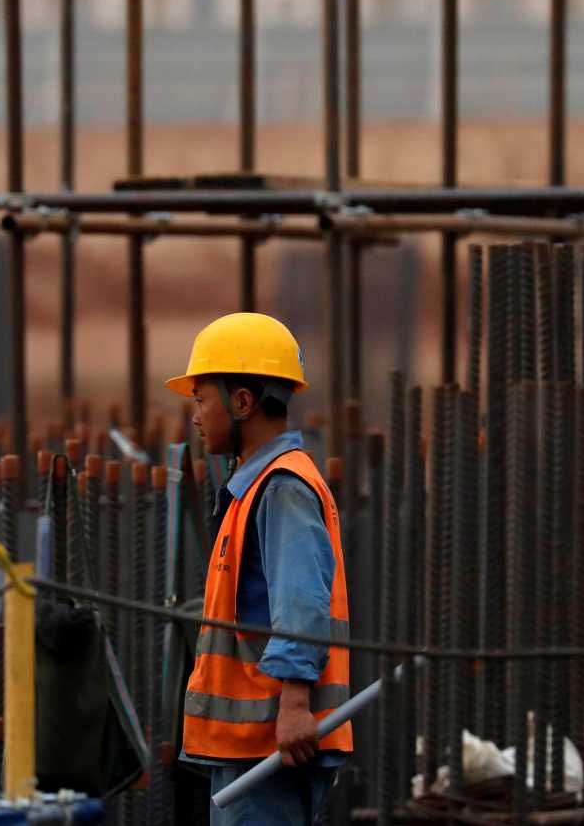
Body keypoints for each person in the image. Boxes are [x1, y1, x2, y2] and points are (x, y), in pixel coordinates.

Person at [166, 312, 353, 826]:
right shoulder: (256, 489)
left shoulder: (282, 488)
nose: (196, 416)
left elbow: (301, 602)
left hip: (270, 750)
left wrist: (295, 705)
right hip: (250, 750)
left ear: (242, 402)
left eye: (201, 398)